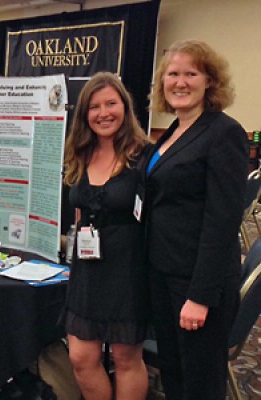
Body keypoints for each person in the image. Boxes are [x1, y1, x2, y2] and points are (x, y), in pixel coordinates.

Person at [143, 39, 248, 400]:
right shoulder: (172, 132)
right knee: (173, 372)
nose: (180, 82)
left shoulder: (223, 132)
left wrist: (200, 296)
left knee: (200, 383)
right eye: (173, 74)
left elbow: (223, 220)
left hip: (196, 282)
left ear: (210, 82)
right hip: (163, 274)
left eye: (191, 73)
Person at [63, 71, 150, 400]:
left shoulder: (145, 156)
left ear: (125, 108)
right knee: (81, 358)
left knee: (127, 359)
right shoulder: (81, 153)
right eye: (94, 106)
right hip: (87, 268)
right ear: (85, 114)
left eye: (111, 103)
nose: (104, 113)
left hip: (128, 269)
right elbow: (80, 210)